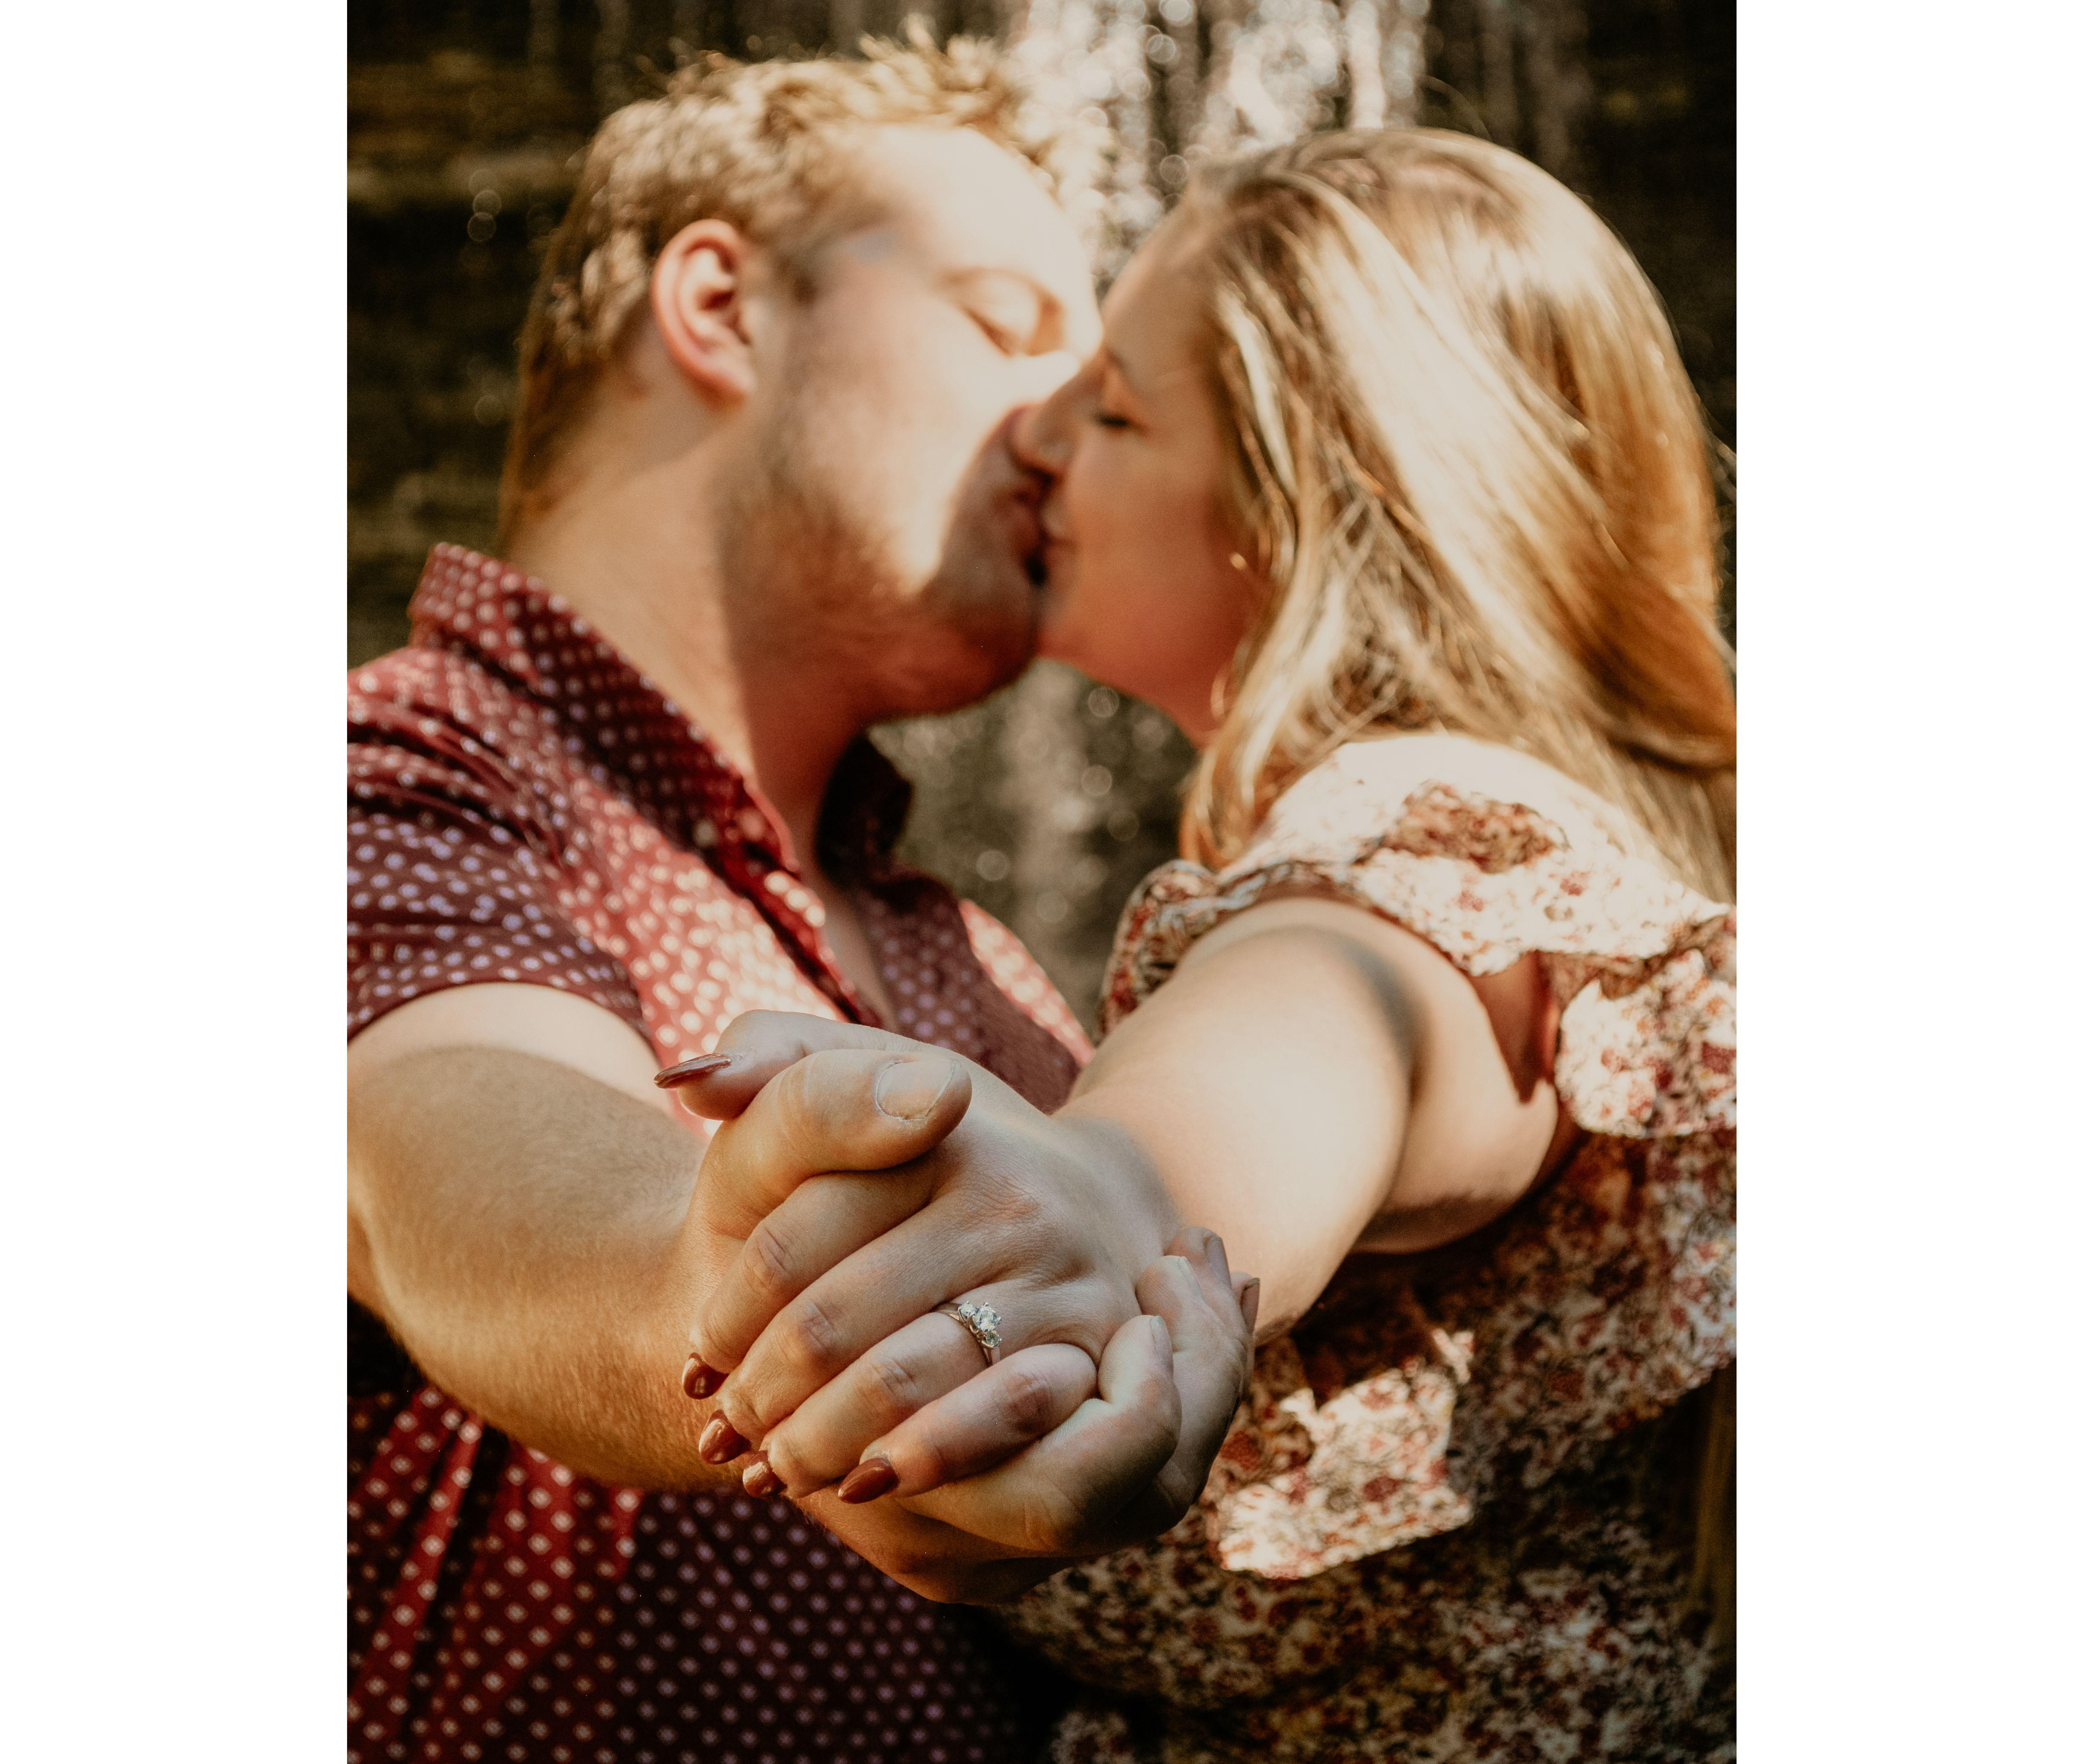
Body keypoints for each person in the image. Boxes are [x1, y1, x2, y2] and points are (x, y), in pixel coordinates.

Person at [663, 127, 1738, 1761]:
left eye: (1112, 410)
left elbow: (1332, 1020)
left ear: (1312, 499)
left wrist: (1105, 1203)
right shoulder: (1576, 863)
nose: (1036, 434)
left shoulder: (1429, 847)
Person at [346, 38, 1255, 1764]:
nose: (1060, 426)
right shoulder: (381, 777)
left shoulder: (974, 960)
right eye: (1005, 323)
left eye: (1099, 385)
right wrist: (740, 1294)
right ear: (720, 306)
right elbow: (432, 1156)